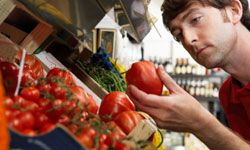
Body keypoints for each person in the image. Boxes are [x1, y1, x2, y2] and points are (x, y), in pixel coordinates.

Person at [126, 0, 250, 149]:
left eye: (195, 19)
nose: (188, 39)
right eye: (179, 35)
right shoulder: (228, 93)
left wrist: (200, 123)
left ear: (234, 11)